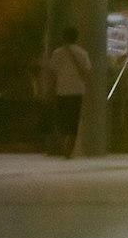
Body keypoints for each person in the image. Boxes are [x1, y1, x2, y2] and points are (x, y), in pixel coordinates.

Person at [40, 22, 95, 158]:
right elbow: (88, 73)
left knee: (62, 120)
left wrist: (47, 89)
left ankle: (65, 144)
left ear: (64, 38)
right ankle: (69, 149)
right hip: (77, 91)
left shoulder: (57, 53)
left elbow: (51, 72)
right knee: (74, 120)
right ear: (76, 38)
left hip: (62, 91)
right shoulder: (82, 53)